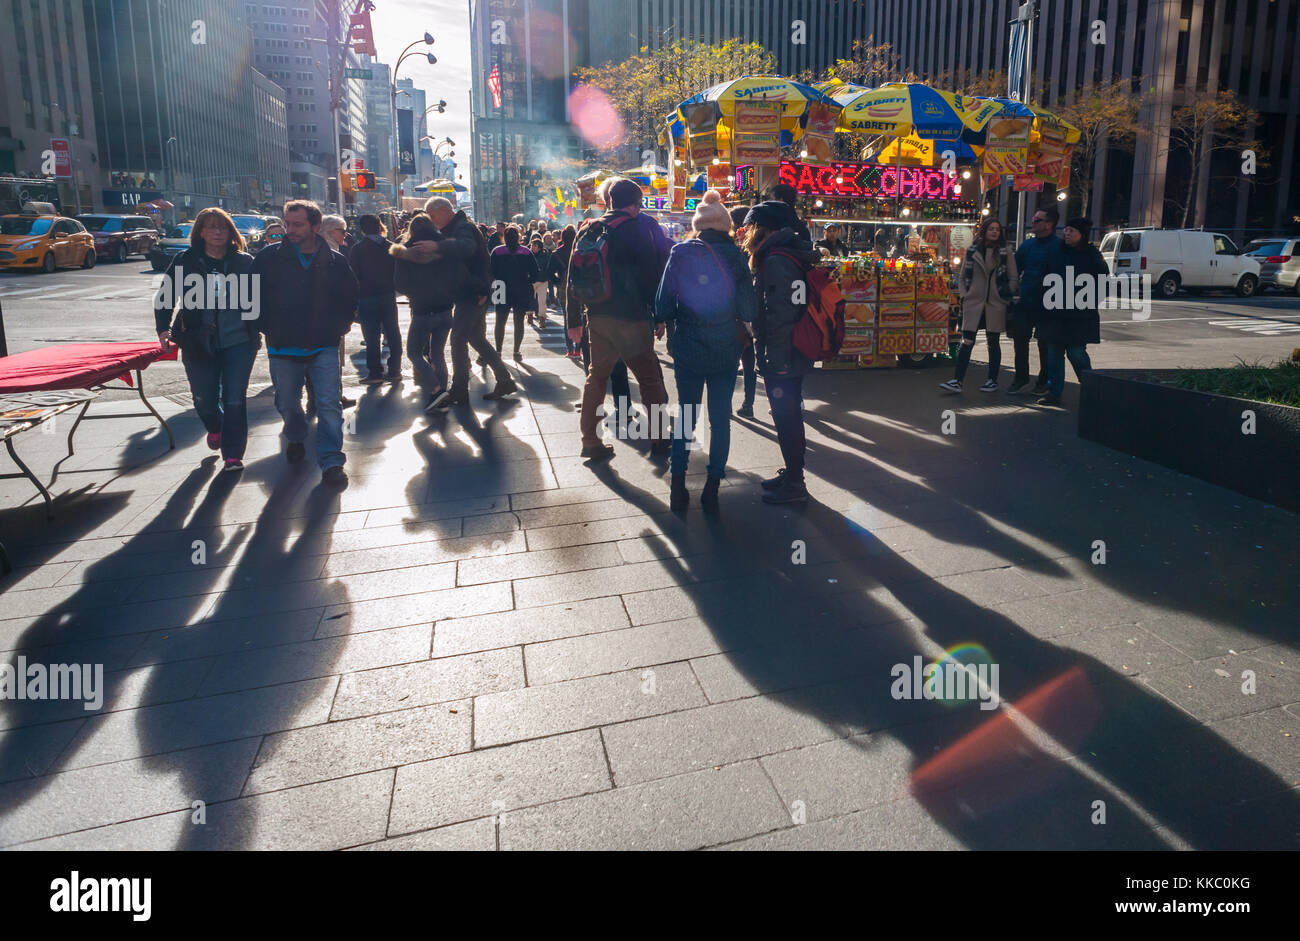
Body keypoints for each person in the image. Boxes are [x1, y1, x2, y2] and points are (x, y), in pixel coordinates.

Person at [654, 191, 757, 513]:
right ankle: (712, 486)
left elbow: (662, 304)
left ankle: (678, 485)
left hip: (687, 344)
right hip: (726, 347)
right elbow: (749, 307)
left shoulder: (680, 252)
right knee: (720, 419)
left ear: (699, 225)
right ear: (726, 226)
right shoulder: (737, 256)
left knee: (686, 416)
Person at [252, 199, 359, 486]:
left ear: (315, 226)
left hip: (323, 344)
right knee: (287, 402)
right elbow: (251, 297)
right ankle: (296, 436)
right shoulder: (268, 258)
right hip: (282, 346)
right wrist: (265, 328)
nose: (290, 229)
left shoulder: (336, 261)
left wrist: (339, 327)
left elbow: (350, 298)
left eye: (297, 224)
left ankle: (332, 461)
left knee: (328, 404)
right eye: (287, 223)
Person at [153, 207, 259, 473]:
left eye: (222, 227)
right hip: (196, 340)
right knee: (203, 399)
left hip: (239, 341)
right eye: (210, 227)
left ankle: (233, 455)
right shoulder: (184, 260)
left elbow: (258, 301)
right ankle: (215, 426)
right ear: (200, 231)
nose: (217, 232)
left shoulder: (245, 261)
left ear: (230, 232)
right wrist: (163, 328)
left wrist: (260, 329)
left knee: (235, 398)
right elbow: (166, 295)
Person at [572, 178, 671, 461]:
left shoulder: (590, 227)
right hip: (632, 316)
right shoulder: (643, 226)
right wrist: (659, 313)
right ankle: (661, 439)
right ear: (637, 203)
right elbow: (655, 270)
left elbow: (573, 274)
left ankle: (590, 440)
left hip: (598, 314)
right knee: (649, 378)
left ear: (609, 201)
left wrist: (573, 318)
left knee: (597, 377)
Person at [744, 202, 819, 505]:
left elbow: (780, 313)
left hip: (784, 352)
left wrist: (773, 358)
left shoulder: (776, 259)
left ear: (765, 228)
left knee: (786, 416)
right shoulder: (783, 254)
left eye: (751, 227)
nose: (747, 233)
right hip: (791, 348)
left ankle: (796, 483)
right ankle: (792, 473)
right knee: (787, 415)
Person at [424, 197, 518, 406]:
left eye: (432, 215)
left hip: (472, 293)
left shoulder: (462, 228)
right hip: (473, 291)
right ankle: (504, 380)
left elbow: (467, 251)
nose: (432, 220)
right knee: (476, 338)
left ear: (445, 211)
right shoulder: (458, 228)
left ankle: (459, 389)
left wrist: (437, 246)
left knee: (458, 339)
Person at [940, 217, 1019, 394]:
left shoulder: (1005, 252)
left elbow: (1013, 277)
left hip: (994, 303)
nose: (994, 232)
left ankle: (992, 380)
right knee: (966, 341)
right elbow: (962, 277)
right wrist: (965, 294)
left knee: (993, 342)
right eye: (991, 229)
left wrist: (1004, 293)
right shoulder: (973, 250)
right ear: (984, 230)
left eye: (997, 229)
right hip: (974, 302)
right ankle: (957, 380)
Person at [392, 214, 458, 410]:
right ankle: (442, 395)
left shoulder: (405, 252)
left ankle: (437, 389)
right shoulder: (445, 248)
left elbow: (400, 284)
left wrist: (416, 291)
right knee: (438, 353)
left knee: (414, 352)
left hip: (422, 309)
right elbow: (456, 275)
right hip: (445, 308)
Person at [1037, 216, 1105, 407]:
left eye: (1071, 231)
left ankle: (1091, 387)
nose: (1067, 234)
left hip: (1079, 315)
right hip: (1056, 313)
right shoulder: (1056, 252)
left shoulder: (1092, 255)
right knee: (1054, 355)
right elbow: (1044, 278)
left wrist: (1089, 302)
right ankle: (1053, 392)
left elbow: (1102, 282)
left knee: (1076, 353)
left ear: (1081, 235)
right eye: (1066, 230)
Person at [1011, 204, 1063, 395]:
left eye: (1037, 220)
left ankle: (1043, 381)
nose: (1032, 223)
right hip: (1026, 301)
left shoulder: (1059, 246)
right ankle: (1021, 378)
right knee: (1020, 340)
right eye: (1033, 220)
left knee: (1045, 344)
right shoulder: (1028, 245)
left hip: (1048, 303)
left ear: (1049, 224)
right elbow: (1014, 269)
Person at [349, 214, 401, 385]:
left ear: (362, 229)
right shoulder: (391, 247)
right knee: (392, 332)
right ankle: (395, 369)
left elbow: (353, 276)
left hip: (366, 296)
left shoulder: (357, 249)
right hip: (387, 295)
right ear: (380, 226)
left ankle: (375, 372)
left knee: (371, 336)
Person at [319, 214, 358, 408]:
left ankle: (330, 396)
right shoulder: (331, 254)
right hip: (331, 319)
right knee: (333, 360)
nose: (345, 234)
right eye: (342, 231)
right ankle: (334, 396)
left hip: (330, 318)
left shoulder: (329, 250)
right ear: (330, 232)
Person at [490, 226, 540, 362]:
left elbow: (490, 272)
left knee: (500, 321)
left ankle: (498, 350)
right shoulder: (525, 251)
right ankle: (516, 351)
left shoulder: (497, 251)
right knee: (519, 322)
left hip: (501, 288)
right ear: (518, 236)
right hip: (521, 289)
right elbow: (535, 273)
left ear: (504, 237)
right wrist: (527, 281)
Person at [728, 204, 758, 418]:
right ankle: (748, 403)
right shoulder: (756, 245)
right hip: (753, 308)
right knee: (749, 361)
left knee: (730, 361)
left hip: (732, 311)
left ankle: (726, 402)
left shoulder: (729, 247)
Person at [553, 225, 580, 358]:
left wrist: (557, 283)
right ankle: (579, 348)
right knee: (580, 318)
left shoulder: (556, 253)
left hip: (564, 290)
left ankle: (570, 349)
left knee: (567, 318)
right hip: (579, 289)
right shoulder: (580, 250)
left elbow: (549, 272)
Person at [532, 234, 554, 328]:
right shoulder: (529, 254)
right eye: (532, 245)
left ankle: (542, 319)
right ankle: (529, 315)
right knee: (530, 299)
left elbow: (548, 267)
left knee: (542, 301)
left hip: (542, 280)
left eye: (535, 246)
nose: (533, 247)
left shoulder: (545, 255)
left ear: (539, 247)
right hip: (531, 280)